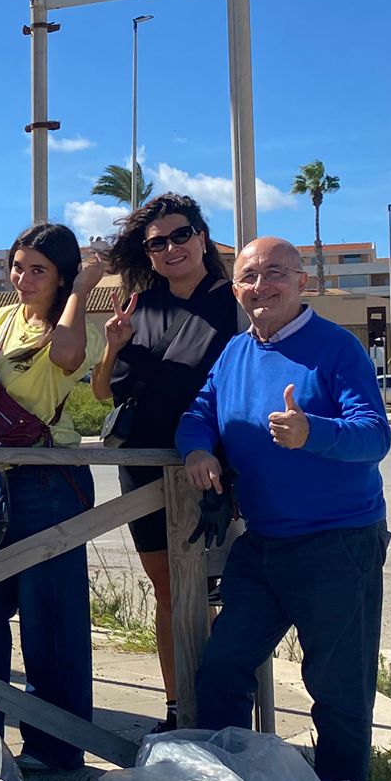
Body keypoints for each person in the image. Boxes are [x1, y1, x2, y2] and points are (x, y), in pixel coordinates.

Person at [177, 236, 391, 781]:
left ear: (303, 282)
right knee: (223, 668)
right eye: (248, 277)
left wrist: (310, 432)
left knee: (339, 688)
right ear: (236, 289)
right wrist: (198, 448)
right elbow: (199, 412)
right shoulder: (235, 351)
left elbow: (373, 436)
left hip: (337, 544)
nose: (260, 286)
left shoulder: (337, 348)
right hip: (263, 543)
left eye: (275, 273)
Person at [89, 193, 242, 732]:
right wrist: (111, 346)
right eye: (158, 242)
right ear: (148, 253)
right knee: (170, 590)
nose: (171, 247)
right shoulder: (140, 305)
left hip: (210, 465)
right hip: (142, 462)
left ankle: (220, 712)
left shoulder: (236, 302)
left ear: (202, 237)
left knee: (216, 592)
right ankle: (179, 710)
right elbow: (105, 392)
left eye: (181, 235)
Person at [0, 222, 105, 774]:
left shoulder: (78, 327)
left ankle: (57, 745)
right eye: (18, 266)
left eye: (38, 269)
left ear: (62, 276)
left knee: (51, 619)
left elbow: (67, 354)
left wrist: (81, 291)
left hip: (48, 485)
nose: (22, 278)